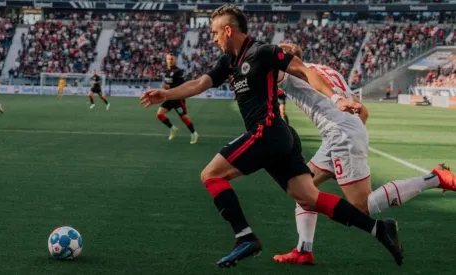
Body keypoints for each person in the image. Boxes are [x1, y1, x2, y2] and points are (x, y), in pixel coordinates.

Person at [140, 5, 403, 268]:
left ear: (228, 30)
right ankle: (379, 229)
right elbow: (199, 83)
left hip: (267, 132)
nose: (213, 38)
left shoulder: (263, 52)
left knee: (211, 175)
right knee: (309, 197)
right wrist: (166, 95)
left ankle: (244, 236)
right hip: (279, 138)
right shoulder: (227, 62)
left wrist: (336, 98)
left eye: (215, 32)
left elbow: (304, 71)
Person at [272, 43, 456, 265]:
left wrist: (347, 139)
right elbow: (363, 111)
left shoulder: (289, 73)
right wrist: (351, 133)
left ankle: (435, 178)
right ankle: (304, 250)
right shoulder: (327, 70)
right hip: (340, 134)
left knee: (361, 205)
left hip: (340, 135)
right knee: (303, 190)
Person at [157, 53, 198, 144]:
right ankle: (173, 129)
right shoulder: (165, 72)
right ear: (166, 60)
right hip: (168, 97)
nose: (170, 61)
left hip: (178, 99)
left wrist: (169, 86)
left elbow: (181, 85)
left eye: (172, 59)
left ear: (175, 60)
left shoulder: (179, 71)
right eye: (169, 59)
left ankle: (194, 133)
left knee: (183, 118)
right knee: (159, 114)